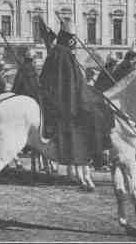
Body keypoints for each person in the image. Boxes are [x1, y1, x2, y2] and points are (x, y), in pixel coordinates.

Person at [39, 23, 111, 168]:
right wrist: (87, 94)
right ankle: (96, 153)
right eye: (73, 39)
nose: (74, 43)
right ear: (69, 39)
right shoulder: (64, 55)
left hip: (57, 96)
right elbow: (74, 84)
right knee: (96, 112)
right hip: (66, 100)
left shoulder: (56, 53)